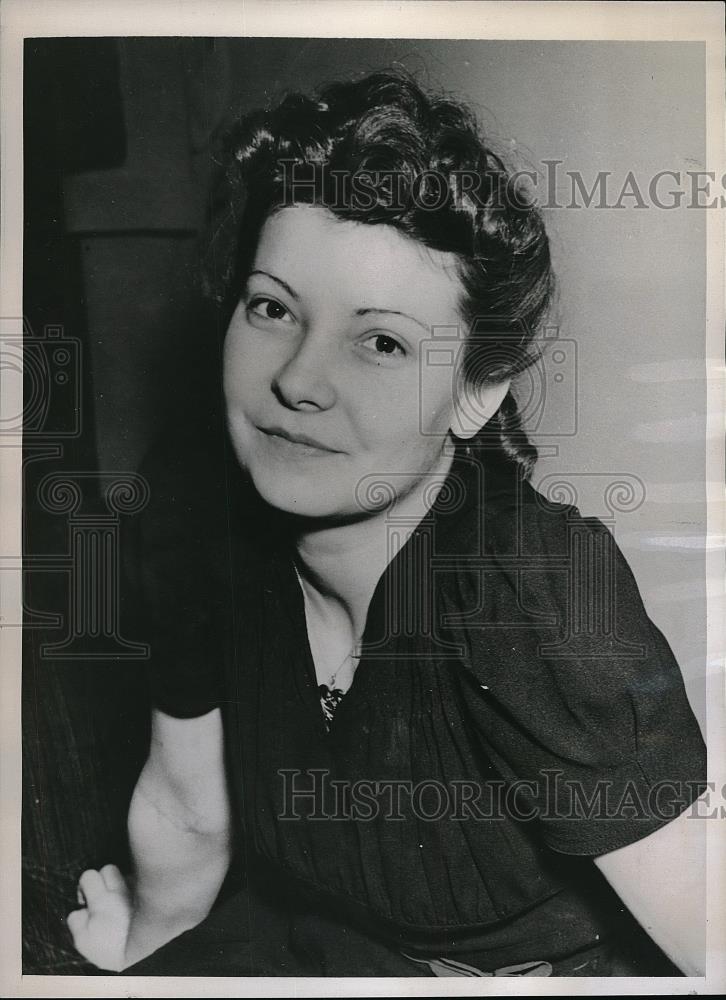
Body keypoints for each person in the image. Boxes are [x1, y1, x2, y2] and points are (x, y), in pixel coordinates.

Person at [66, 70, 707, 978]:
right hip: (323, 942)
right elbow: (185, 803)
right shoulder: (192, 506)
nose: (297, 379)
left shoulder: (531, 588)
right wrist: (150, 950)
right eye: (273, 307)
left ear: (475, 393)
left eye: (381, 342)